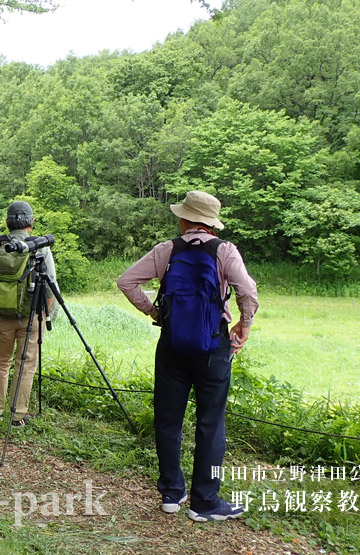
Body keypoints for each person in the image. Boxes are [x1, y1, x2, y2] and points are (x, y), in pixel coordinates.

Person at [117, 190, 259, 522]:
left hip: (172, 344)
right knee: (211, 423)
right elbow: (247, 292)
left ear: (184, 219)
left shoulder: (167, 250)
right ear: (211, 224)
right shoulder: (224, 250)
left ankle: (171, 492)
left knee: (167, 420)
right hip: (213, 346)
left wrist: (155, 312)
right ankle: (204, 502)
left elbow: (127, 282)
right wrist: (245, 325)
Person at [0, 200, 58, 427]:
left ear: (7, 222)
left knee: (0, 362)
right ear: (31, 223)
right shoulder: (40, 246)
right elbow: (50, 285)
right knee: (25, 365)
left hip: (2, 314)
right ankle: (18, 416)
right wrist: (47, 316)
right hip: (30, 316)